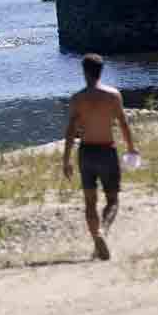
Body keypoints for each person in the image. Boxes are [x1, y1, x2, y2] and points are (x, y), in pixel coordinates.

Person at [62, 53, 138, 261]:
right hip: (107, 150)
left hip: (86, 152)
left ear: (84, 72)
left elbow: (70, 132)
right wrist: (131, 148)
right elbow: (123, 123)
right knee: (112, 200)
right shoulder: (112, 95)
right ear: (101, 71)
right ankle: (103, 231)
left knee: (89, 202)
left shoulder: (77, 99)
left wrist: (66, 160)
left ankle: (96, 237)